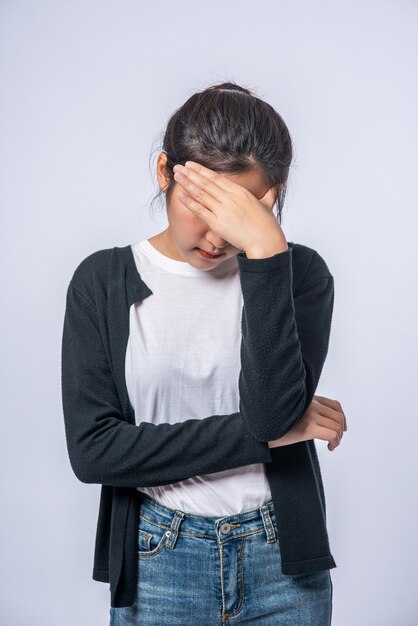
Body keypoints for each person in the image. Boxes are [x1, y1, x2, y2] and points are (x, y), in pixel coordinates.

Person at [61, 81, 347, 625]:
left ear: (269, 199)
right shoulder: (102, 282)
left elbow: (268, 411)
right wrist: (271, 433)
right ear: (166, 171)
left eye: (238, 212)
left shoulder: (298, 273)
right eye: (205, 203)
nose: (218, 235)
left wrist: (265, 249)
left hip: (280, 562)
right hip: (158, 558)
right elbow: (94, 452)